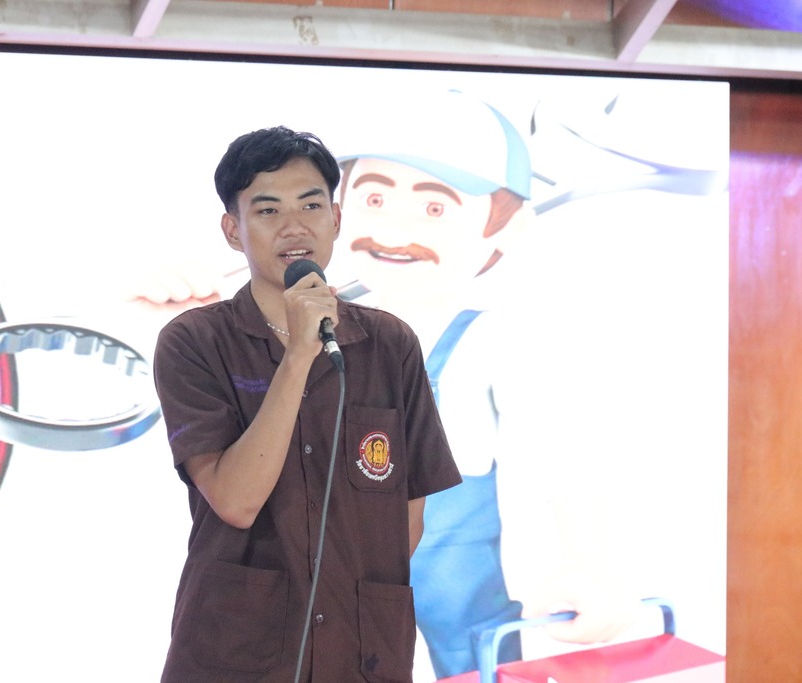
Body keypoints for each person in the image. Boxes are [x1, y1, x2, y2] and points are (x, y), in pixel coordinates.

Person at [333, 90, 639, 678]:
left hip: (455, 561)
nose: (393, 230)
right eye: (374, 199)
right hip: (336, 553)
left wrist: (593, 564)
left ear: (507, 229)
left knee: (476, 666)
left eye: (434, 208)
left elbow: (566, 454)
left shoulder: (497, 338)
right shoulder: (318, 328)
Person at [152, 126, 462, 682]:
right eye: (268, 210)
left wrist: (348, 588)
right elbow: (236, 501)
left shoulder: (390, 343)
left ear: (336, 219)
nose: (294, 227)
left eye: (311, 205)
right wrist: (298, 355)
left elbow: (407, 516)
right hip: (237, 651)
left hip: (362, 652)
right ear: (233, 230)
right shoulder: (195, 341)